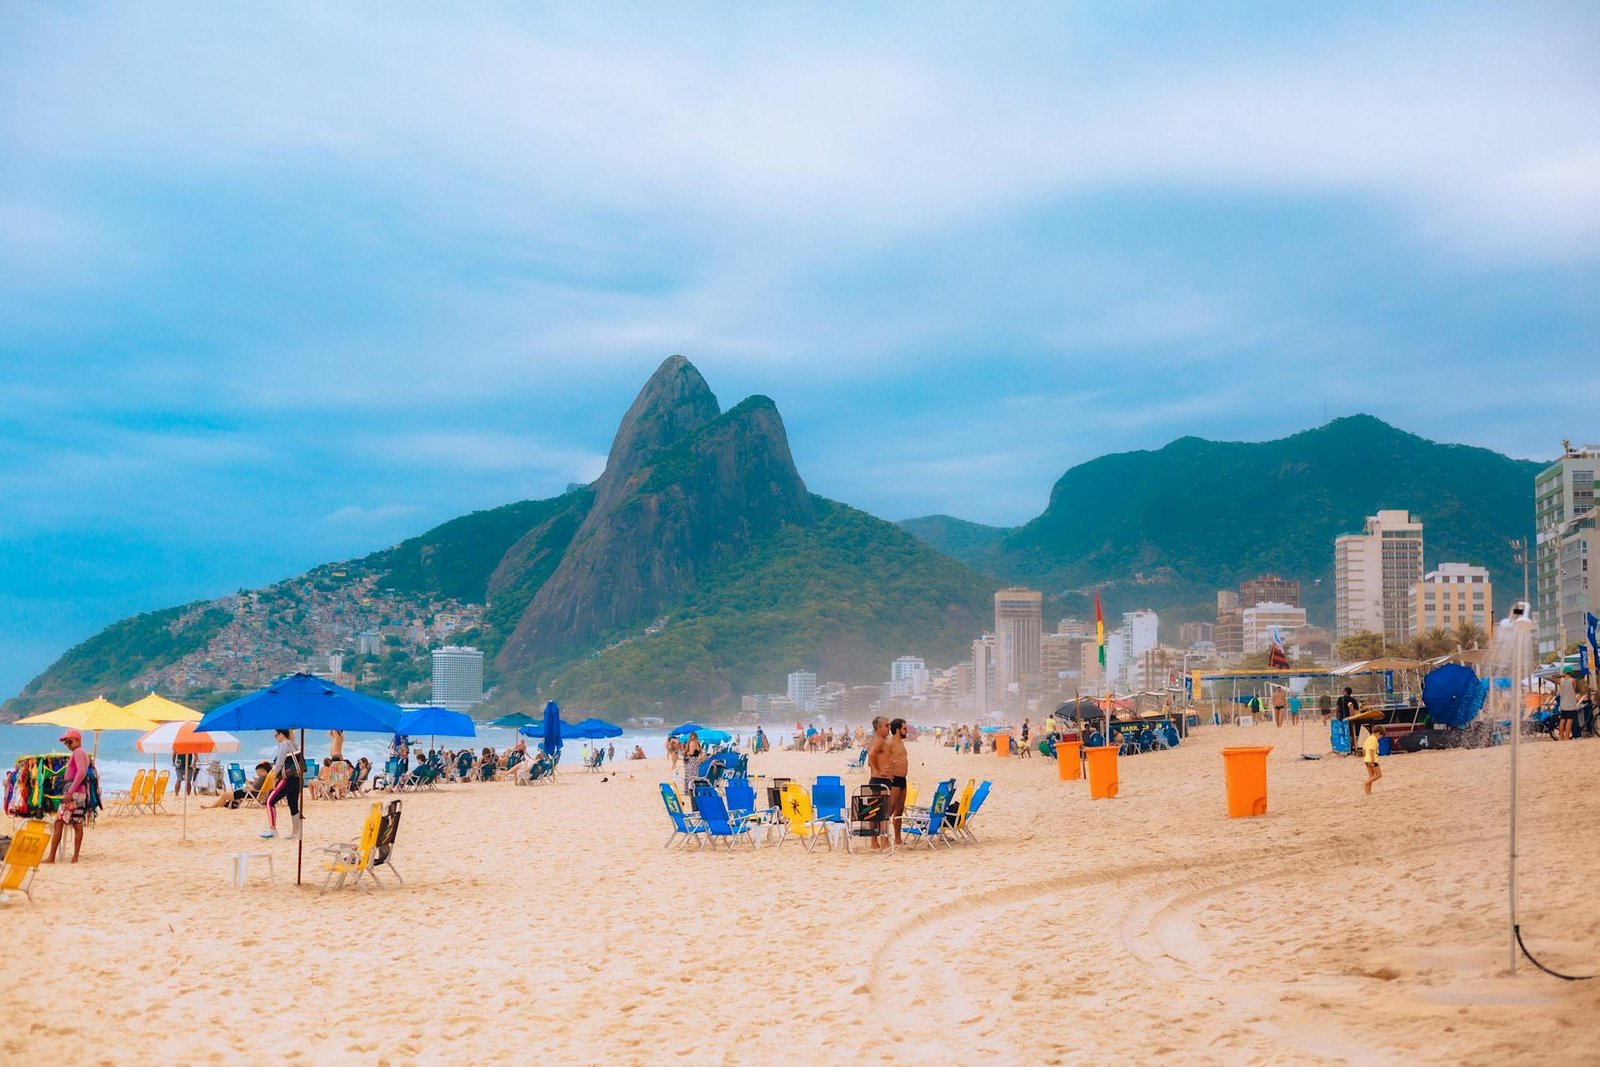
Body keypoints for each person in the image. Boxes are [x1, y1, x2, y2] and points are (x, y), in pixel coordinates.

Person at [43, 729, 92, 864]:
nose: (67, 744)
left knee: (59, 822)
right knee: (77, 822)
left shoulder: (78, 752)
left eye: (69, 741)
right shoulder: (82, 753)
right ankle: (74, 857)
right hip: (79, 791)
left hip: (74, 792)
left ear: (78, 740)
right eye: (65, 742)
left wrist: (70, 792)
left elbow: (81, 772)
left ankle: (52, 857)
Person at [261, 728, 303, 840]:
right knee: (293, 805)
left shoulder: (284, 744)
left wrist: (273, 776)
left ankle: (272, 829)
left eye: (276, 735)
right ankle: (296, 833)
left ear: (281, 734)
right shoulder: (294, 744)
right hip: (297, 779)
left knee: (269, 801)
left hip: (287, 779)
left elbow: (279, 762)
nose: (275, 737)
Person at [865, 716, 893, 849]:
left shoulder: (874, 740)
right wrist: (879, 770)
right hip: (880, 780)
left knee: (874, 811)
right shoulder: (880, 741)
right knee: (883, 812)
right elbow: (871, 755)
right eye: (886, 725)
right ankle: (884, 841)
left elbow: (869, 760)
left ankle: (874, 841)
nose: (889, 728)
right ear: (878, 727)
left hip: (876, 780)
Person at [884, 718, 910, 847]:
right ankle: (884, 838)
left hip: (903, 779)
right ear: (898, 729)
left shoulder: (901, 743)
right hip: (894, 780)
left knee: (899, 811)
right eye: (905, 729)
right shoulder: (890, 743)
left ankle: (898, 838)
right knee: (890, 810)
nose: (907, 731)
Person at [206, 761, 272, 809]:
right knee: (227, 795)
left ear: (262, 770)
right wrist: (252, 782)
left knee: (225, 795)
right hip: (252, 793)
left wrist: (247, 783)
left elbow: (253, 789)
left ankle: (212, 807)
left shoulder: (262, 777)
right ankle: (220, 805)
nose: (258, 774)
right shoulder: (267, 777)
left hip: (248, 793)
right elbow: (258, 786)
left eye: (258, 772)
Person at [1556, 670, 1580, 741]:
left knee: (1562, 720)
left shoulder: (1560, 680)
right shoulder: (1573, 680)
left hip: (1563, 704)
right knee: (1569, 721)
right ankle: (1566, 737)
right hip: (1571, 705)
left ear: (1565, 672)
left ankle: (1561, 737)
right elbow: (1575, 689)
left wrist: (1561, 676)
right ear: (1571, 673)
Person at [1335, 687, 1359, 753]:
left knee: (1342, 733)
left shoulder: (1340, 699)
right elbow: (1356, 711)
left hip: (1342, 718)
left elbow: (1337, 708)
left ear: (1345, 692)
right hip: (1351, 719)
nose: (1343, 692)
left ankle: (1342, 747)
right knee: (1351, 733)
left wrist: (1337, 715)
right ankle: (1350, 748)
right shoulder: (1353, 700)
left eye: (1343, 691)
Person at [1362, 725, 1382, 794]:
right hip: (1372, 760)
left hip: (1366, 759)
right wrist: (1372, 760)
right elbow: (1371, 749)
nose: (1379, 738)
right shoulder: (1374, 739)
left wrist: (1365, 757)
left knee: (1371, 776)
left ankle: (1368, 792)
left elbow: (1364, 749)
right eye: (1380, 736)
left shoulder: (1369, 738)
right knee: (1379, 775)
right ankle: (1365, 783)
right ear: (1378, 733)